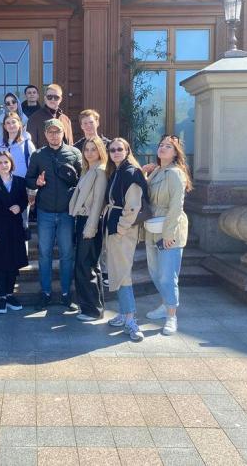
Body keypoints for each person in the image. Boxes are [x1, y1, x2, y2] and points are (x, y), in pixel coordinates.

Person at [25, 118, 82, 311]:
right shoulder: (38, 155)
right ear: (45, 134)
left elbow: (82, 181)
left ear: (63, 132)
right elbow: (28, 179)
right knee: (44, 255)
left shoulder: (74, 153)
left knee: (67, 254)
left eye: (57, 131)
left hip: (67, 213)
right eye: (50, 132)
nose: (54, 135)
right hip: (45, 213)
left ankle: (66, 294)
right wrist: (36, 183)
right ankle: (45, 293)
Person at [144, 134, 192, 336]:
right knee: (155, 272)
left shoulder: (175, 173)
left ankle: (172, 316)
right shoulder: (156, 171)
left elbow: (176, 206)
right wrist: (144, 173)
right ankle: (165, 305)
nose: (163, 148)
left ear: (175, 153)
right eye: (161, 145)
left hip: (169, 229)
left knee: (167, 276)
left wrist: (169, 234)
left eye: (168, 146)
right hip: (153, 228)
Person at [103, 138, 149, 342]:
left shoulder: (130, 172)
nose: (115, 152)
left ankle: (130, 319)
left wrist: (121, 229)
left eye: (119, 149)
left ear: (127, 150)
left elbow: (133, 206)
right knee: (118, 272)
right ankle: (123, 314)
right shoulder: (118, 171)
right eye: (112, 150)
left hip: (122, 230)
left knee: (123, 275)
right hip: (115, 228)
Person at [0, 151, 28, 314]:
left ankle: (10, 294)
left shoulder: (20, 181)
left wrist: (20, 207)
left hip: (15, 228)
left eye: (6, 162)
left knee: (13, 263)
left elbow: (24, 200)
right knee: (0, 264)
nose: (3, 165)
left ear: (11, 163)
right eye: (0, 162)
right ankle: (1, 296)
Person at [69, 137, 108, 321]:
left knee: (85, 266)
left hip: (90, 221)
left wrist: (90, 227)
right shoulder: (88, 169)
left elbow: (98, 202)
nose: (90, 153)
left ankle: (92, 310)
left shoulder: (100, 171)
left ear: (100, 151)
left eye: (94, 149)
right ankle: (93, 307)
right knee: (89, 265)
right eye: (87, 149)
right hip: (83, 220)